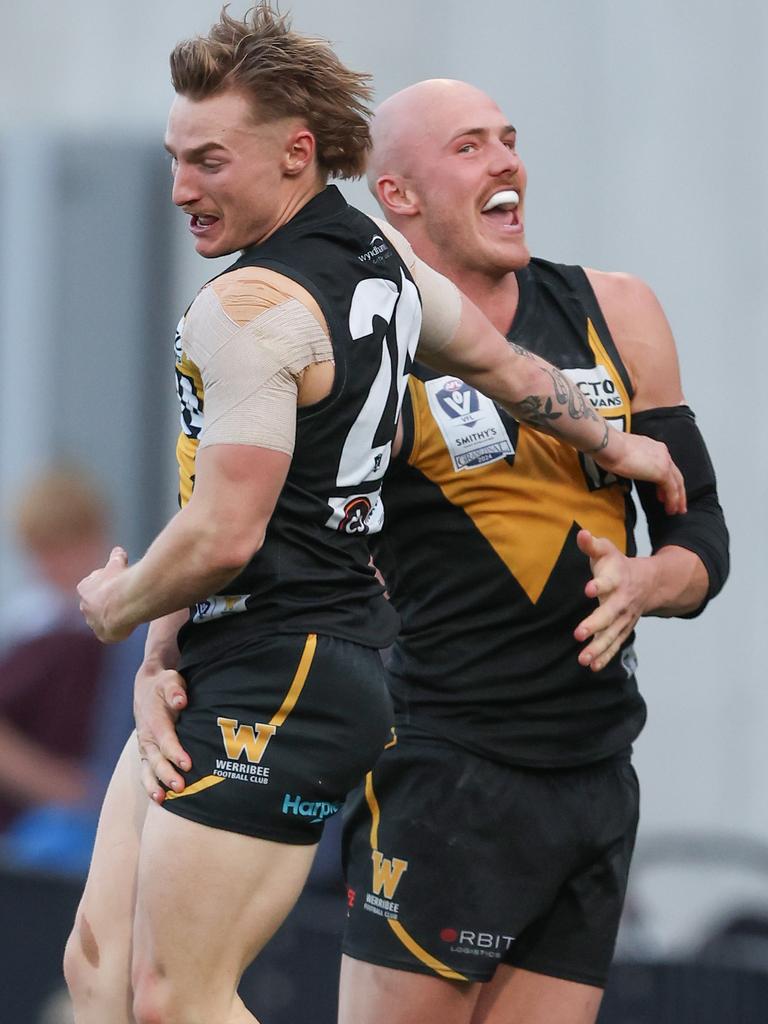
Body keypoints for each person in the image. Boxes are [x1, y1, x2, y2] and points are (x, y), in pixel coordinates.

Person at [64, 8, 684, 1023]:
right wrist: (617, 442)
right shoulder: (383, 268)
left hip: (287, 663)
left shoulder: (254, 308)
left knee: (174, 997)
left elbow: (227, 533)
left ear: (296, 154)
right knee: (97, 972)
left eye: (209, 161)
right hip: (234, 650)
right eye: (175, 158)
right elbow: (508, 368)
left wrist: (117, 608)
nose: (181, 187)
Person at [335, 81, 729, 1024]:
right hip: (445, 771)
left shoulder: (617, 308)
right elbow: (253, 523)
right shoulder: (367, 344)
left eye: (508, 140)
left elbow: (701, 531)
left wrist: (645, 582)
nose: (507, 161)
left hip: (594, 772)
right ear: (400, 195)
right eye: (469, 147)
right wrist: (161, 652)